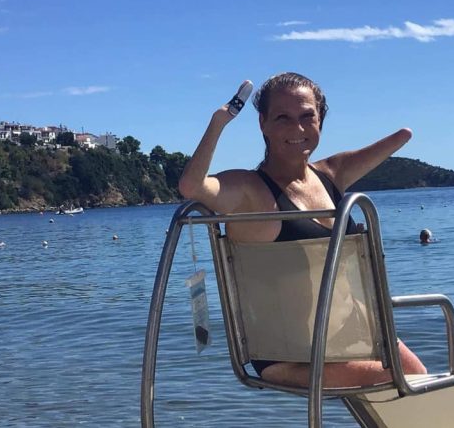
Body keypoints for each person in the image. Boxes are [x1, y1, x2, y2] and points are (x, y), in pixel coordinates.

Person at [178, 72, 426, 388]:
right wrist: (219, 122)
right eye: (283, 118)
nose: (297, 129)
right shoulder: (249, 191)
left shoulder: (331, 175)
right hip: (287, 356)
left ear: (320, 120)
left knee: (421, 376)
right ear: (263, 123)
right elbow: (192, 186)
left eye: (308, 117)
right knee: (406, 381)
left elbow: (402, 137)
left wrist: (405, 131)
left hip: (348, 336)